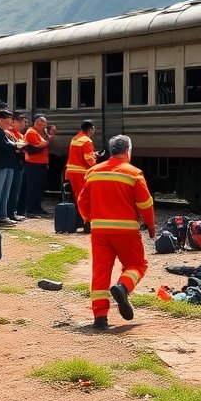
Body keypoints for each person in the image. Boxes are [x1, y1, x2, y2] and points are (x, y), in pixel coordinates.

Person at [76, 134, 155, 330]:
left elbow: (82, 201)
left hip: (100, 232)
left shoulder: (94, 172)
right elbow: (145, 204)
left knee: (100, 272)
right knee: (137, 264)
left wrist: (88, 219)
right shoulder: (134, 173)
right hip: (126, 231)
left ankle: (100, 318)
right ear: (127, 151)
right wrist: (151, 226)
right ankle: (123, 287)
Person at [21, 114, 54, 217]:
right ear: (34, 122)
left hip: (41, 163)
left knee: (39, 186)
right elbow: (40, 145)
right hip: (33, 163)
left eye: (44, 122)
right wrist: (50, 139)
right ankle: (30, 209)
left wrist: (50, 135)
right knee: (32, 187)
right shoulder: (31, 132)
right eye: (39, 121)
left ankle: (37, 207)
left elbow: (46, 143)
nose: (41, 123)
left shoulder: (42, 133)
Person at [65, 120, 98, 202]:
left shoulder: (75, 138)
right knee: (82, 197)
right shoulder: (87, 140)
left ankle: (74, 214)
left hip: (70, 172)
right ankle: (81, 215)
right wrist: (97, 167)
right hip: (81, 173)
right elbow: (89, 159)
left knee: (74, 197)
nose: (94, 131)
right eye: (94, 129)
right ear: (89, 129)